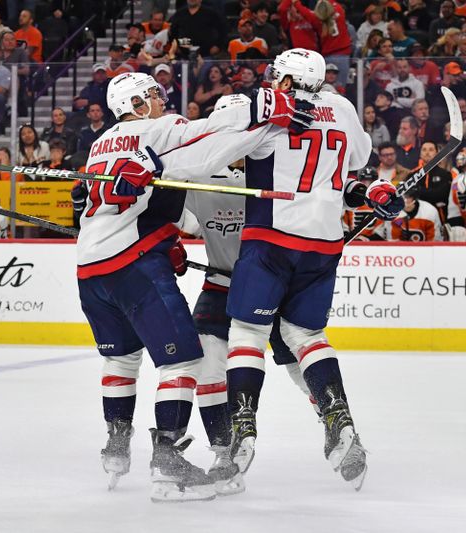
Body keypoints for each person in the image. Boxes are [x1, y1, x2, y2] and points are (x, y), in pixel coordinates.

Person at [164, 49, 391, 490]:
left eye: (275, 77)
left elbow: (207, 157)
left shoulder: (270, 113)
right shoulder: (342, 107)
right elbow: (356, 158)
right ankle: (339, 421)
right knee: (306, 337)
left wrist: (153, 164)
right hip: (323, 244)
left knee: (246, 334)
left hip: (271, 241)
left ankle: (243, 426)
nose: (271, 83)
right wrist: (365, 191)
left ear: (286, 81)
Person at [75, 71, 306, 501]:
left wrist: (170, 240)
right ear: (139, 103)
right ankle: (168, 463)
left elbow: (120, 203)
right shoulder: (159, 128)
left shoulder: (98, 144)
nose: (163, 101)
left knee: (123, 360)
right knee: (182, 361)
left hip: (90, 269)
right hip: (134, 263)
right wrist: (262, 110)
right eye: (155, 96)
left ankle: (117, 447)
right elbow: (211, 135)